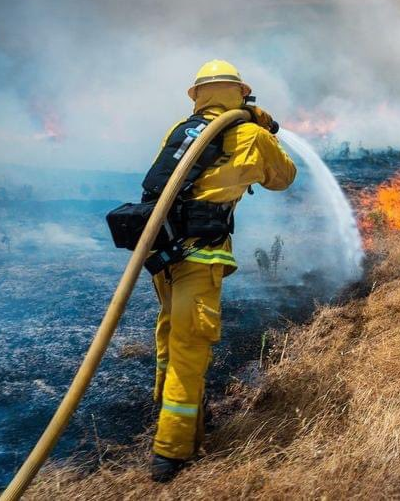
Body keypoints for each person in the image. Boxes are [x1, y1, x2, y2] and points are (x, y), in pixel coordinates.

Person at [148, 60, 296, 482]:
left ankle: (170, 414)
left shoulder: (179, 132)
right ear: (240, 95)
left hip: (162, 252)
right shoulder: (249, 134)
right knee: (190, 347)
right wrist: (263, 130)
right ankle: (171, 450)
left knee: (169, 335)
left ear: (199, 95)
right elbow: (284, 178)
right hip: (200, 256)